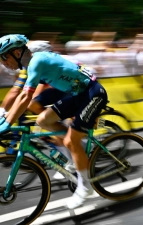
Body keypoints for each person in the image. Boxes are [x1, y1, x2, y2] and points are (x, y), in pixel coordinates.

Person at [0, 34, 108, 209]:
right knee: (43, 120)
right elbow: (21, 94)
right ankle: (75, 156)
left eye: (4, 57)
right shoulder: (30, 64)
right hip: (76, 94)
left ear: (17, 52)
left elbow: (26, 96)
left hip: (92, 94)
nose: (3, 63)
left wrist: (7, 123)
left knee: (70, 140)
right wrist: (5, 117)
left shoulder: (37, 61)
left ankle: (85, 186)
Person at [0, 40, 74, 179]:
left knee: (53, 123)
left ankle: (74, 149)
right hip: (59, 91)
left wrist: (10, 116)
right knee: (46, 122)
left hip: (72, 89)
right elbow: (15, 91)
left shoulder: (42, 62)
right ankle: (68, 155)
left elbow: (34, 94)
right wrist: (2, 110)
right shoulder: (27, 67)